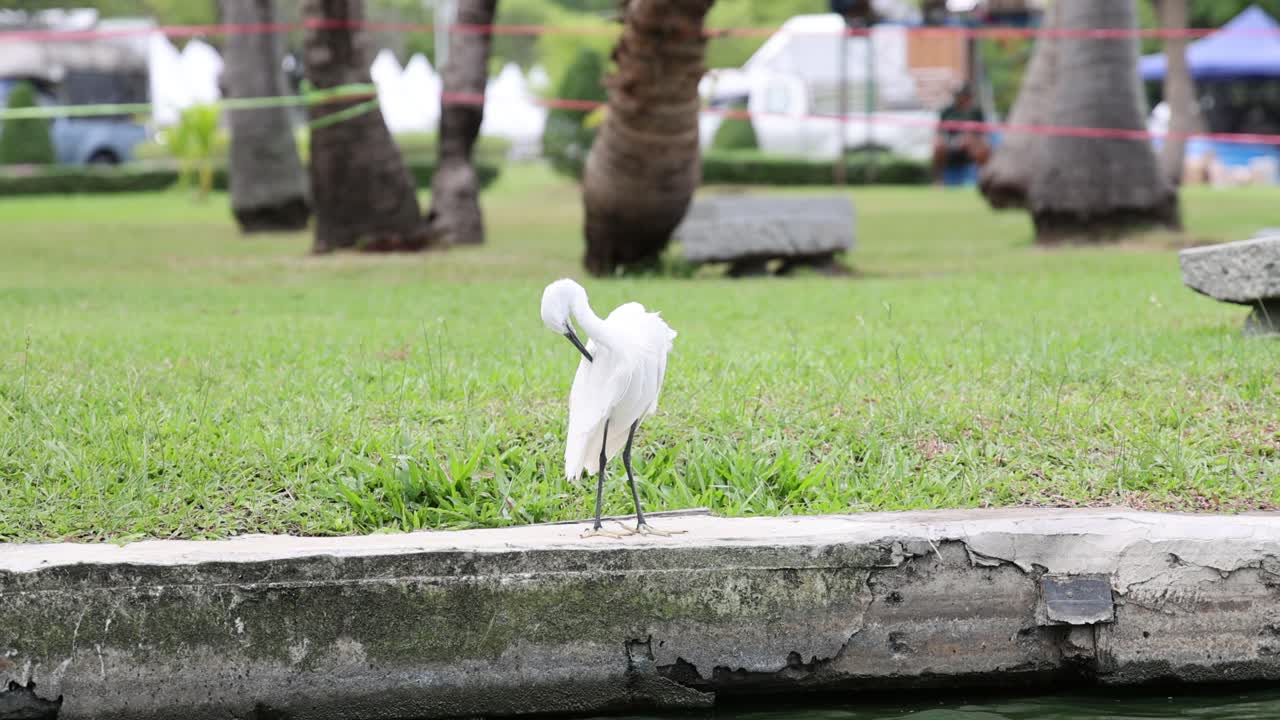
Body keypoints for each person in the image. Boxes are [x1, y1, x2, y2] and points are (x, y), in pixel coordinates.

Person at [932, 86, 990, 186]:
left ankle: (984, 179)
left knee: (982, 148)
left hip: (972, 144)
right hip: (950, 143)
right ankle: (938, 181)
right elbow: (940, 133)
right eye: (960, 96)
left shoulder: (976, 112)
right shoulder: (947, 111)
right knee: (938, 147)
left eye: (965, 96)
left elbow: (983, 134)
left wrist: (970, 139)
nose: (962, 98)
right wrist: (951, 141)